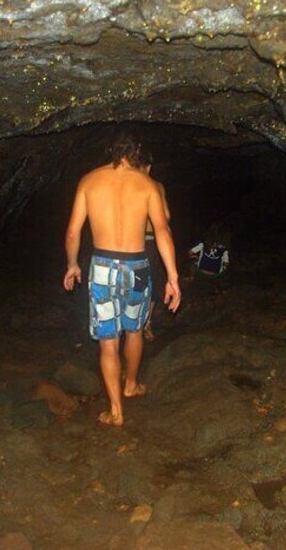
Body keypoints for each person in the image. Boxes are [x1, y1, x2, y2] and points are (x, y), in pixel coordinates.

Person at [63, 132, 181, 427]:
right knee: (135, 330)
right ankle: (131, 385)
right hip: (137, 266)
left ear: (110, 152)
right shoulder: (147, 185)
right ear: (136, 154)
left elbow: (73, 232)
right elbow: (163, 231)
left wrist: (72, 265)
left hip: (102, 267)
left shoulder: (89, 181)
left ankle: (116, 411)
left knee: (107, 343)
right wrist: (173, 277)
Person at [143, 174, 170, 341]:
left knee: (137, 284)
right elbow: (165, 217)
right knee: (150, 284)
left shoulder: (121, 183)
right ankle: (145, 323)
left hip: (124, 245)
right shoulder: (155, 185)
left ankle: (139, 323)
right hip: (148, 242)